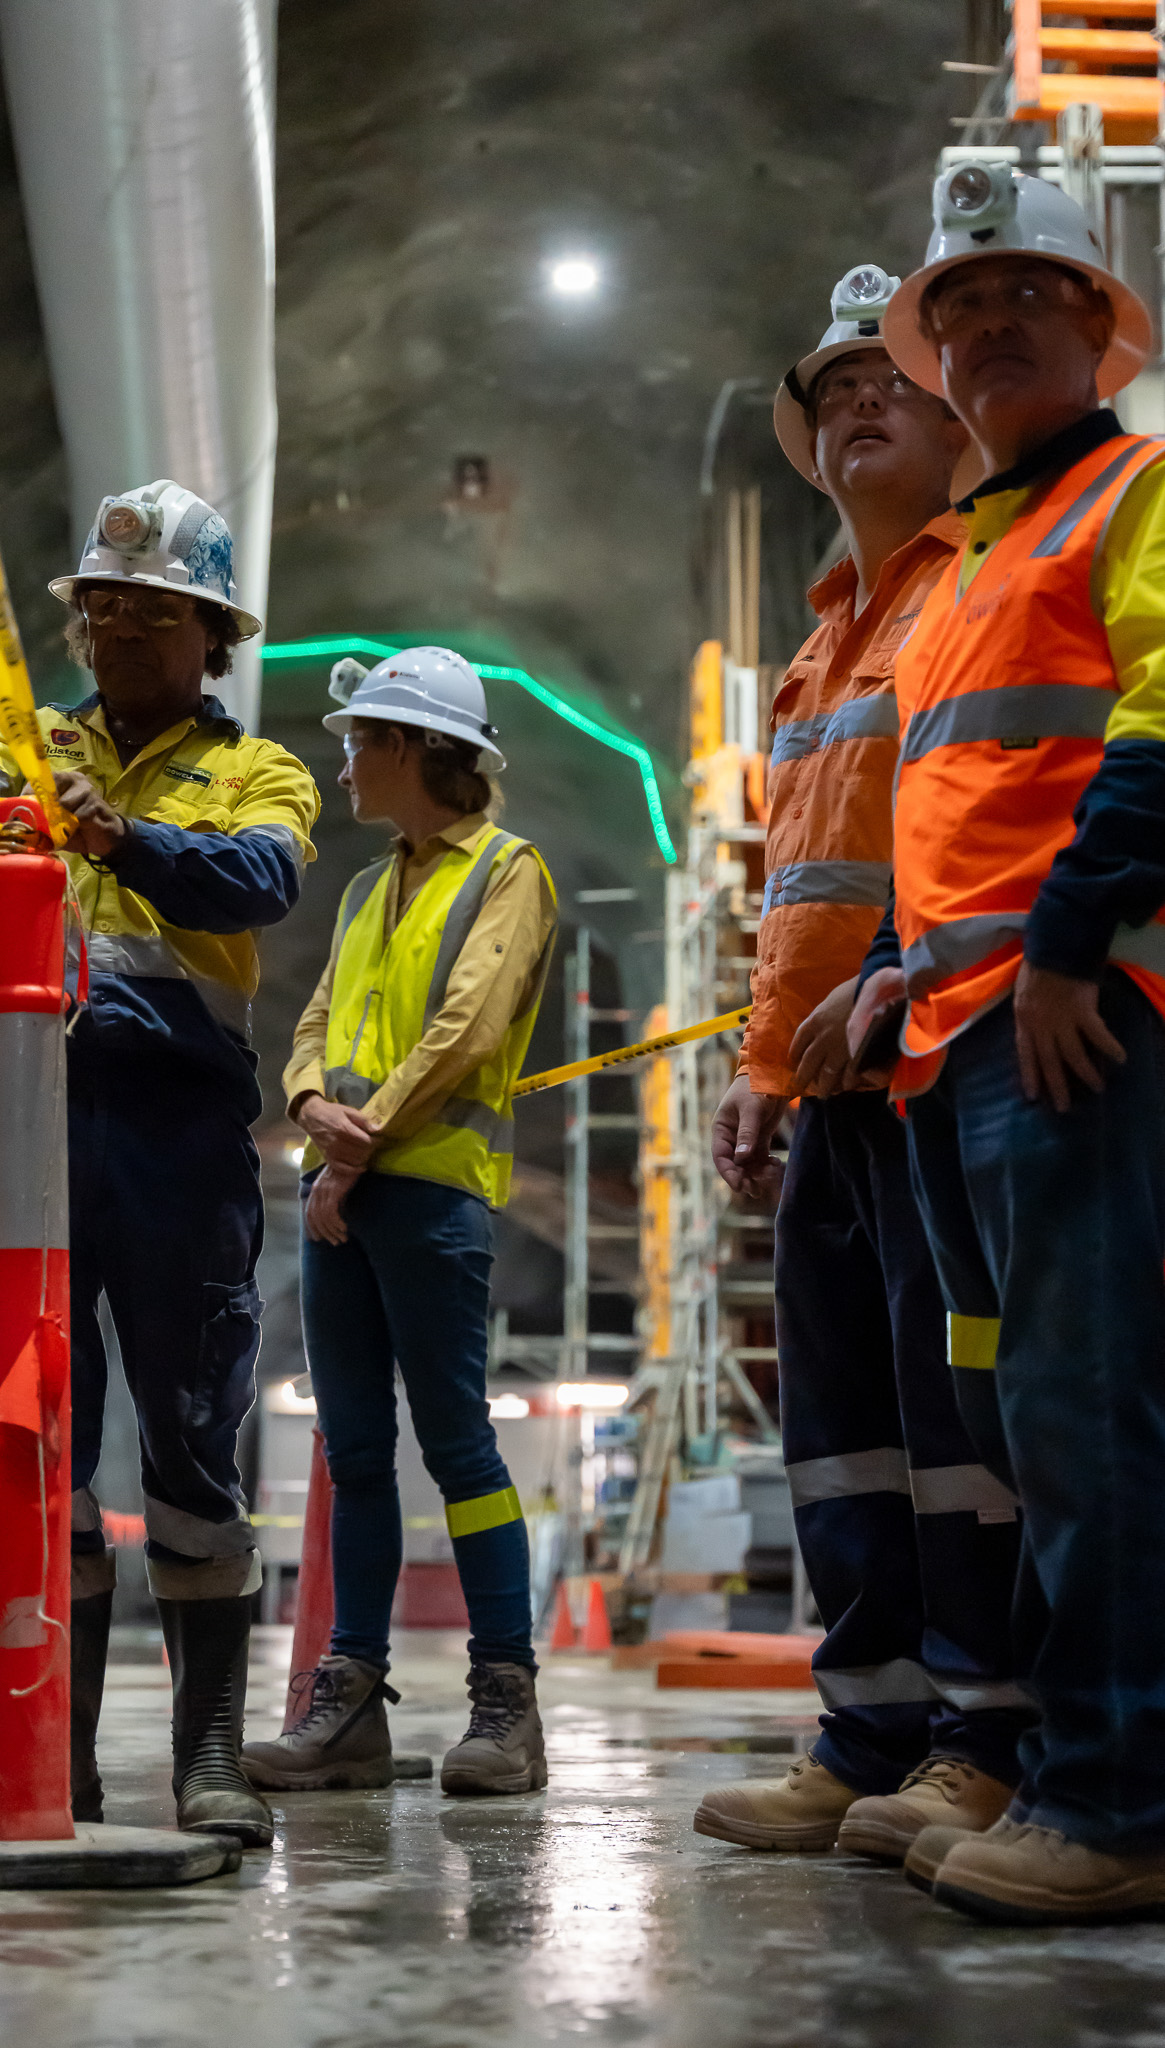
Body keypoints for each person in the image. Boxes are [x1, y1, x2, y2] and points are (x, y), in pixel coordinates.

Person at [0, 480, 319, 1848]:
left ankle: (206, 1761)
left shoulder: (259, 771)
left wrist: (121, 834)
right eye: (104, 609)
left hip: (175, 1131)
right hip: (33, 1123)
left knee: (194, 1430)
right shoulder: (25, 746)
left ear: (214, 638)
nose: (124, 632)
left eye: (157, 613)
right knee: (29, 1429)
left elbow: (256, 883)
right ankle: (52, 1757)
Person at [849, 163, 1165, 1923]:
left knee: (1088, 1404)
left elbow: (1161, 720)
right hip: (960, 1035)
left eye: (1018, 300)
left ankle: (1119, 1797)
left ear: (1098, 324)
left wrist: (1062, 946)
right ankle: (1062, 1765)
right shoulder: (972, 553)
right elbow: (950, 797)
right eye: (958, 311)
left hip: (1076, 1019)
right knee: (1031, 1415)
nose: (982, 334)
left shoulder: (1132, 496)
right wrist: (898, 969)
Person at [692, 266, 1031, 1862]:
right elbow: (793, 893)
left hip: (942, 1057)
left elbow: (977, 830)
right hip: (829, 1090)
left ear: (959, 415)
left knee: (961, 1422)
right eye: (829, 395)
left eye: (882, 381)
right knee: (839, 1428)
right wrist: (760, 1067)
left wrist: (909, 975)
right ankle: (867, 1731)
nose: (855, 407)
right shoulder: (820, 649)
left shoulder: (978, 587)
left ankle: (984, 1740)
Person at [240, 647, 557, 1797]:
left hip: (430, 1190)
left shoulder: (509, 872)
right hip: (353, 1186)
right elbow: (316, 1016)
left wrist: (357, 1133)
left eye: (365, 737)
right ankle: (352, 1700)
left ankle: (506, 1700)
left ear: (424, 750)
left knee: (461, 1445)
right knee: (356, 1451)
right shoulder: (371, 886)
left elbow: (469, 1023)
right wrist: (313, 1103)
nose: (347, 755)